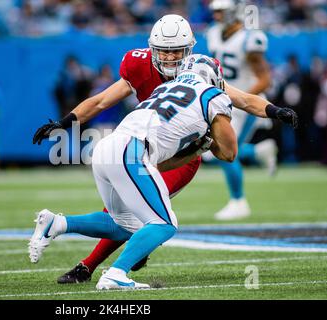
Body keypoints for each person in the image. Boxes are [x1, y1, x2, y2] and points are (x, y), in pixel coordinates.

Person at [32, 14, 298, 284]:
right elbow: (100, 101)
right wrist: (65, 122)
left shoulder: (200, 74)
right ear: (152, 49)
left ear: (188, 51)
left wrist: (274, 111)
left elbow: (242, 99)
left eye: (176, 51)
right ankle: (108, 265)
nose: (170, 57)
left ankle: (93, 257)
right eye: (164, 51)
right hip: (142, 146)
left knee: (134, 213)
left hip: (170, 153)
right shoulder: (172, 75)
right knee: (144, 217)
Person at [29, 54, 237, 290]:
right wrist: (207, 143)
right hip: (133, 151)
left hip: (107, 147)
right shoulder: (213, 95)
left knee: (123, 224)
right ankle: (116, 273)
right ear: (213, 77)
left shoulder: (165, 88)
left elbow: (104, 103)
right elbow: (229, 153)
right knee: (164, 223)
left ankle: (56, 223)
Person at [205, 0, 278, 220]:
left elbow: (265, 79)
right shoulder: (213, 34)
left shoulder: (249, 39)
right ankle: (258, 152)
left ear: (234, 11)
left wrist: (241, 97)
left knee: (224, 151)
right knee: (215, 151)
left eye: (221, 11)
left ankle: (238, 201)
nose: (217, 16)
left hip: (244, 104)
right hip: (223, 101)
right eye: (215, 11)